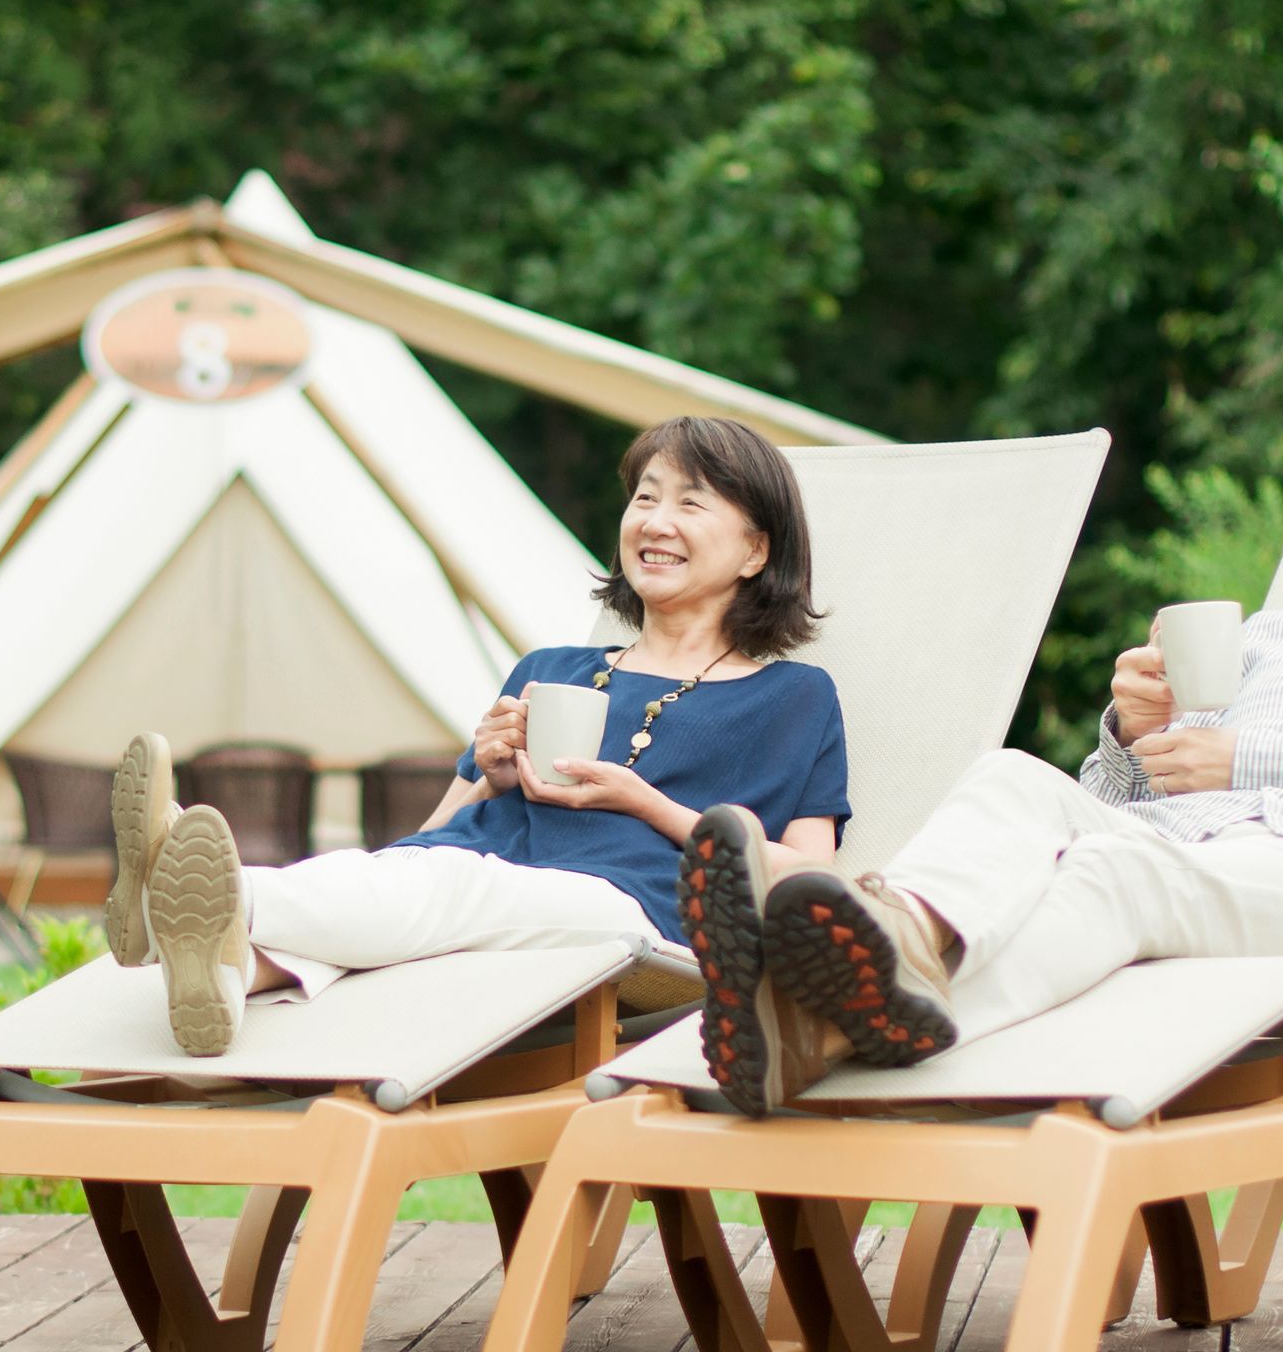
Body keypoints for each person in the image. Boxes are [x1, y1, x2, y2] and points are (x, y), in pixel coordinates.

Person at [687, 362, 1283, 1112]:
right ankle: (893, 948)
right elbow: (1122, 810)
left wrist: (1257, 756)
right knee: (1015, 779)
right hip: (1194, 873)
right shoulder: (1268, 639)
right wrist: (1135, 740)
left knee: (1117, 876)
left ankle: (828, 1011)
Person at [106, 414, 850, 1056]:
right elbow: (431, 838)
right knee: (413, 882)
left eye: (691, 503)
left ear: (756, 551)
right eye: (645, 498)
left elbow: (809, 880)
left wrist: (645, 804)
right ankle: (229, 969)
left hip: (638, 918)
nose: (655, 521)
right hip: (476, 883)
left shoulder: (792, 696)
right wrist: (488, 776)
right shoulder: (549, 668)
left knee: (457, 888)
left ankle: (182, 898)